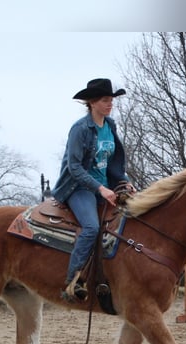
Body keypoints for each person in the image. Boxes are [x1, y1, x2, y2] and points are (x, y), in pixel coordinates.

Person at [51, 78, 133, 302]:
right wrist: (100, 188)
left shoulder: (110, 126)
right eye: (105, 100)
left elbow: (114, 162)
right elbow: (74, 167)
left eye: (111, 100)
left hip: (106, 186)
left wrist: (124, 182)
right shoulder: (80, 129)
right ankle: (73, 280)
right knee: (91, 227)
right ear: (92, 102)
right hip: (79, 187)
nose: (110, 104)